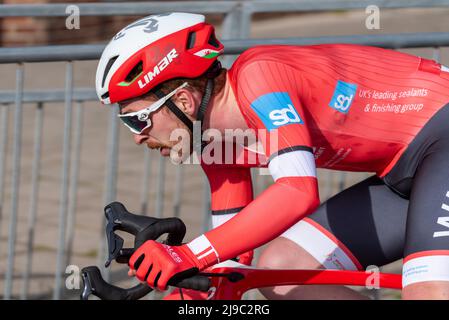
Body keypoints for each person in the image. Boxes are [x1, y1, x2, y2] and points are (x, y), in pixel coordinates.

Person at [95, 12, 449, 299]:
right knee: (281, 269)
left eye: (137, 120)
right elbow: (233, 258)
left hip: (441, 134)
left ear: (184, 101)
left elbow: (297, 191)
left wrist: (188, 255)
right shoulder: (217, 145)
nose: (139, 137)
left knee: (428, 291)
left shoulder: (261, 75)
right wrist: (205, 289)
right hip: (405, 174)